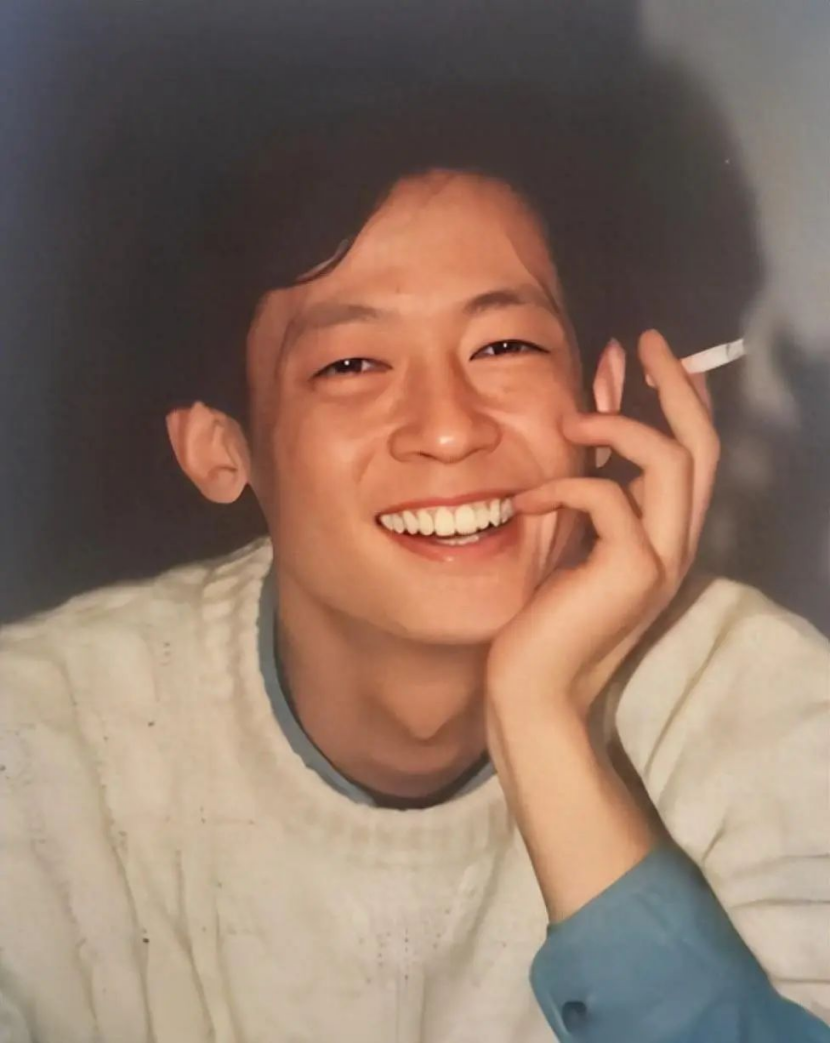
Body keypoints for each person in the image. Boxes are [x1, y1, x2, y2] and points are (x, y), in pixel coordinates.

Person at [0, 85, 828, 1042]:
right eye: (352, 365)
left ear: (601, 395)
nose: (447, 428)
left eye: (503, 345)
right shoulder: (42, 733)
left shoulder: (759, 696)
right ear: (221, 449)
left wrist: (542, 725)